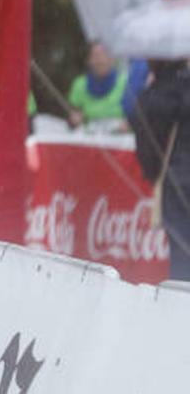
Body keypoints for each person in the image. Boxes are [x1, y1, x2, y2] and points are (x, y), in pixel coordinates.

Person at [131, 60, 190, 280]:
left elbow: (147, 148)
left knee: (183, 257)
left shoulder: (155, 96)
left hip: (178, 183)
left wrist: (153, 173)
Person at [66, 41, 147, 132]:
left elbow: (139, 116)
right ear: (88, 61)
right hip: (89, 139)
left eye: (104, 55)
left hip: (120, 139)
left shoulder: (126, 82)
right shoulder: (79, 84)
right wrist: (74, 120)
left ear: (112, 59)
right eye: (95, 56)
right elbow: (72, 117)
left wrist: (130, 123)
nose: (100, 60)